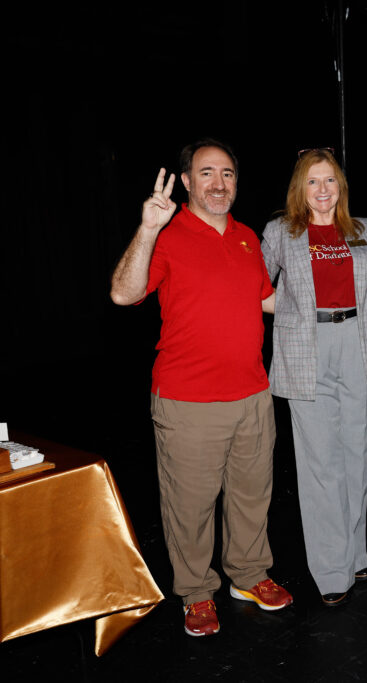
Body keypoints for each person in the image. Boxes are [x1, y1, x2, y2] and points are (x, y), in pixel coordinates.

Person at [110, 139, 291, 637]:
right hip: (188, 402)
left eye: (228, 174)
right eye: (207, 173)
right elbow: (123, 294)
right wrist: (148, 228)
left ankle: (249, 575)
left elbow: (267, 301)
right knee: (190, 506)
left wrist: (337, 292)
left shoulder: (247, 238)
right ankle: (196, 592)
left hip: (252, 394)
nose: (219, 184)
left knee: (253, 496)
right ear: (187, 181)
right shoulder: (167, 236)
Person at [260, 147, 367, 607]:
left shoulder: (361, 231)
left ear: (341, 187)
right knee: (320, 466)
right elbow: (251, 288)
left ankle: (355, 554)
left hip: (355, 345)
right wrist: (293, 314)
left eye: (330, 181)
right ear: (300, 188)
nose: (322, 190)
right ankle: (331, 569)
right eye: (313, 182)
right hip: (306, 348)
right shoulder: (281, 232)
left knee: (355, 458)